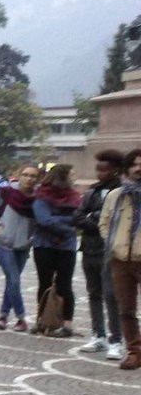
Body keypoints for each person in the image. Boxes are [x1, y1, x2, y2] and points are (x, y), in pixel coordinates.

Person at [74, 150, 124, 358]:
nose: (100, 174)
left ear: (116, 170)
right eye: (98, 170)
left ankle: (116, 339)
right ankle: (98, 334)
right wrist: (96, 222)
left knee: (111, 295)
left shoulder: (122, 192)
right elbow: (77, 217)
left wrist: (94, 218)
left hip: (111, 250)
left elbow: (116, 220)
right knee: (94, 293)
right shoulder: (91, 192)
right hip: (89, 248)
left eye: (105, 170)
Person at [99, 148, 141, 370]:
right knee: (126, 309)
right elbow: (104, 223)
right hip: (120, 259)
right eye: (134, 164)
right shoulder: (116, 195)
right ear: (127, 168)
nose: (138, 168)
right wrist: (114, 243)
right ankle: (134, 351)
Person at [31, 164, 81, 338]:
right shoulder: (42, 195)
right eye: (71, 174)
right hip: (44, 245)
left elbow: (78, 219)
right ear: (62, 177)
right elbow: (44, 220)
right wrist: (68, 225)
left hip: (67, 247)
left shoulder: (75, 197)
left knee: (65, 284)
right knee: (44, 283)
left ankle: (66, 324)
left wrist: (58, 220)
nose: (74, 178)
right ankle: (42, 320)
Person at [0, 165, 39, 332]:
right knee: (14, 280)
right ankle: (21, 317)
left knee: (12, 282)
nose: (29, 179)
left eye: (33, 176)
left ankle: (3, 315)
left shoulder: (38, 198)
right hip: (3, 242)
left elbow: (40, 219)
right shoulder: (7, 192)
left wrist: (32, 237)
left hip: (23, 245)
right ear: (19, 176)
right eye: (26, 175)